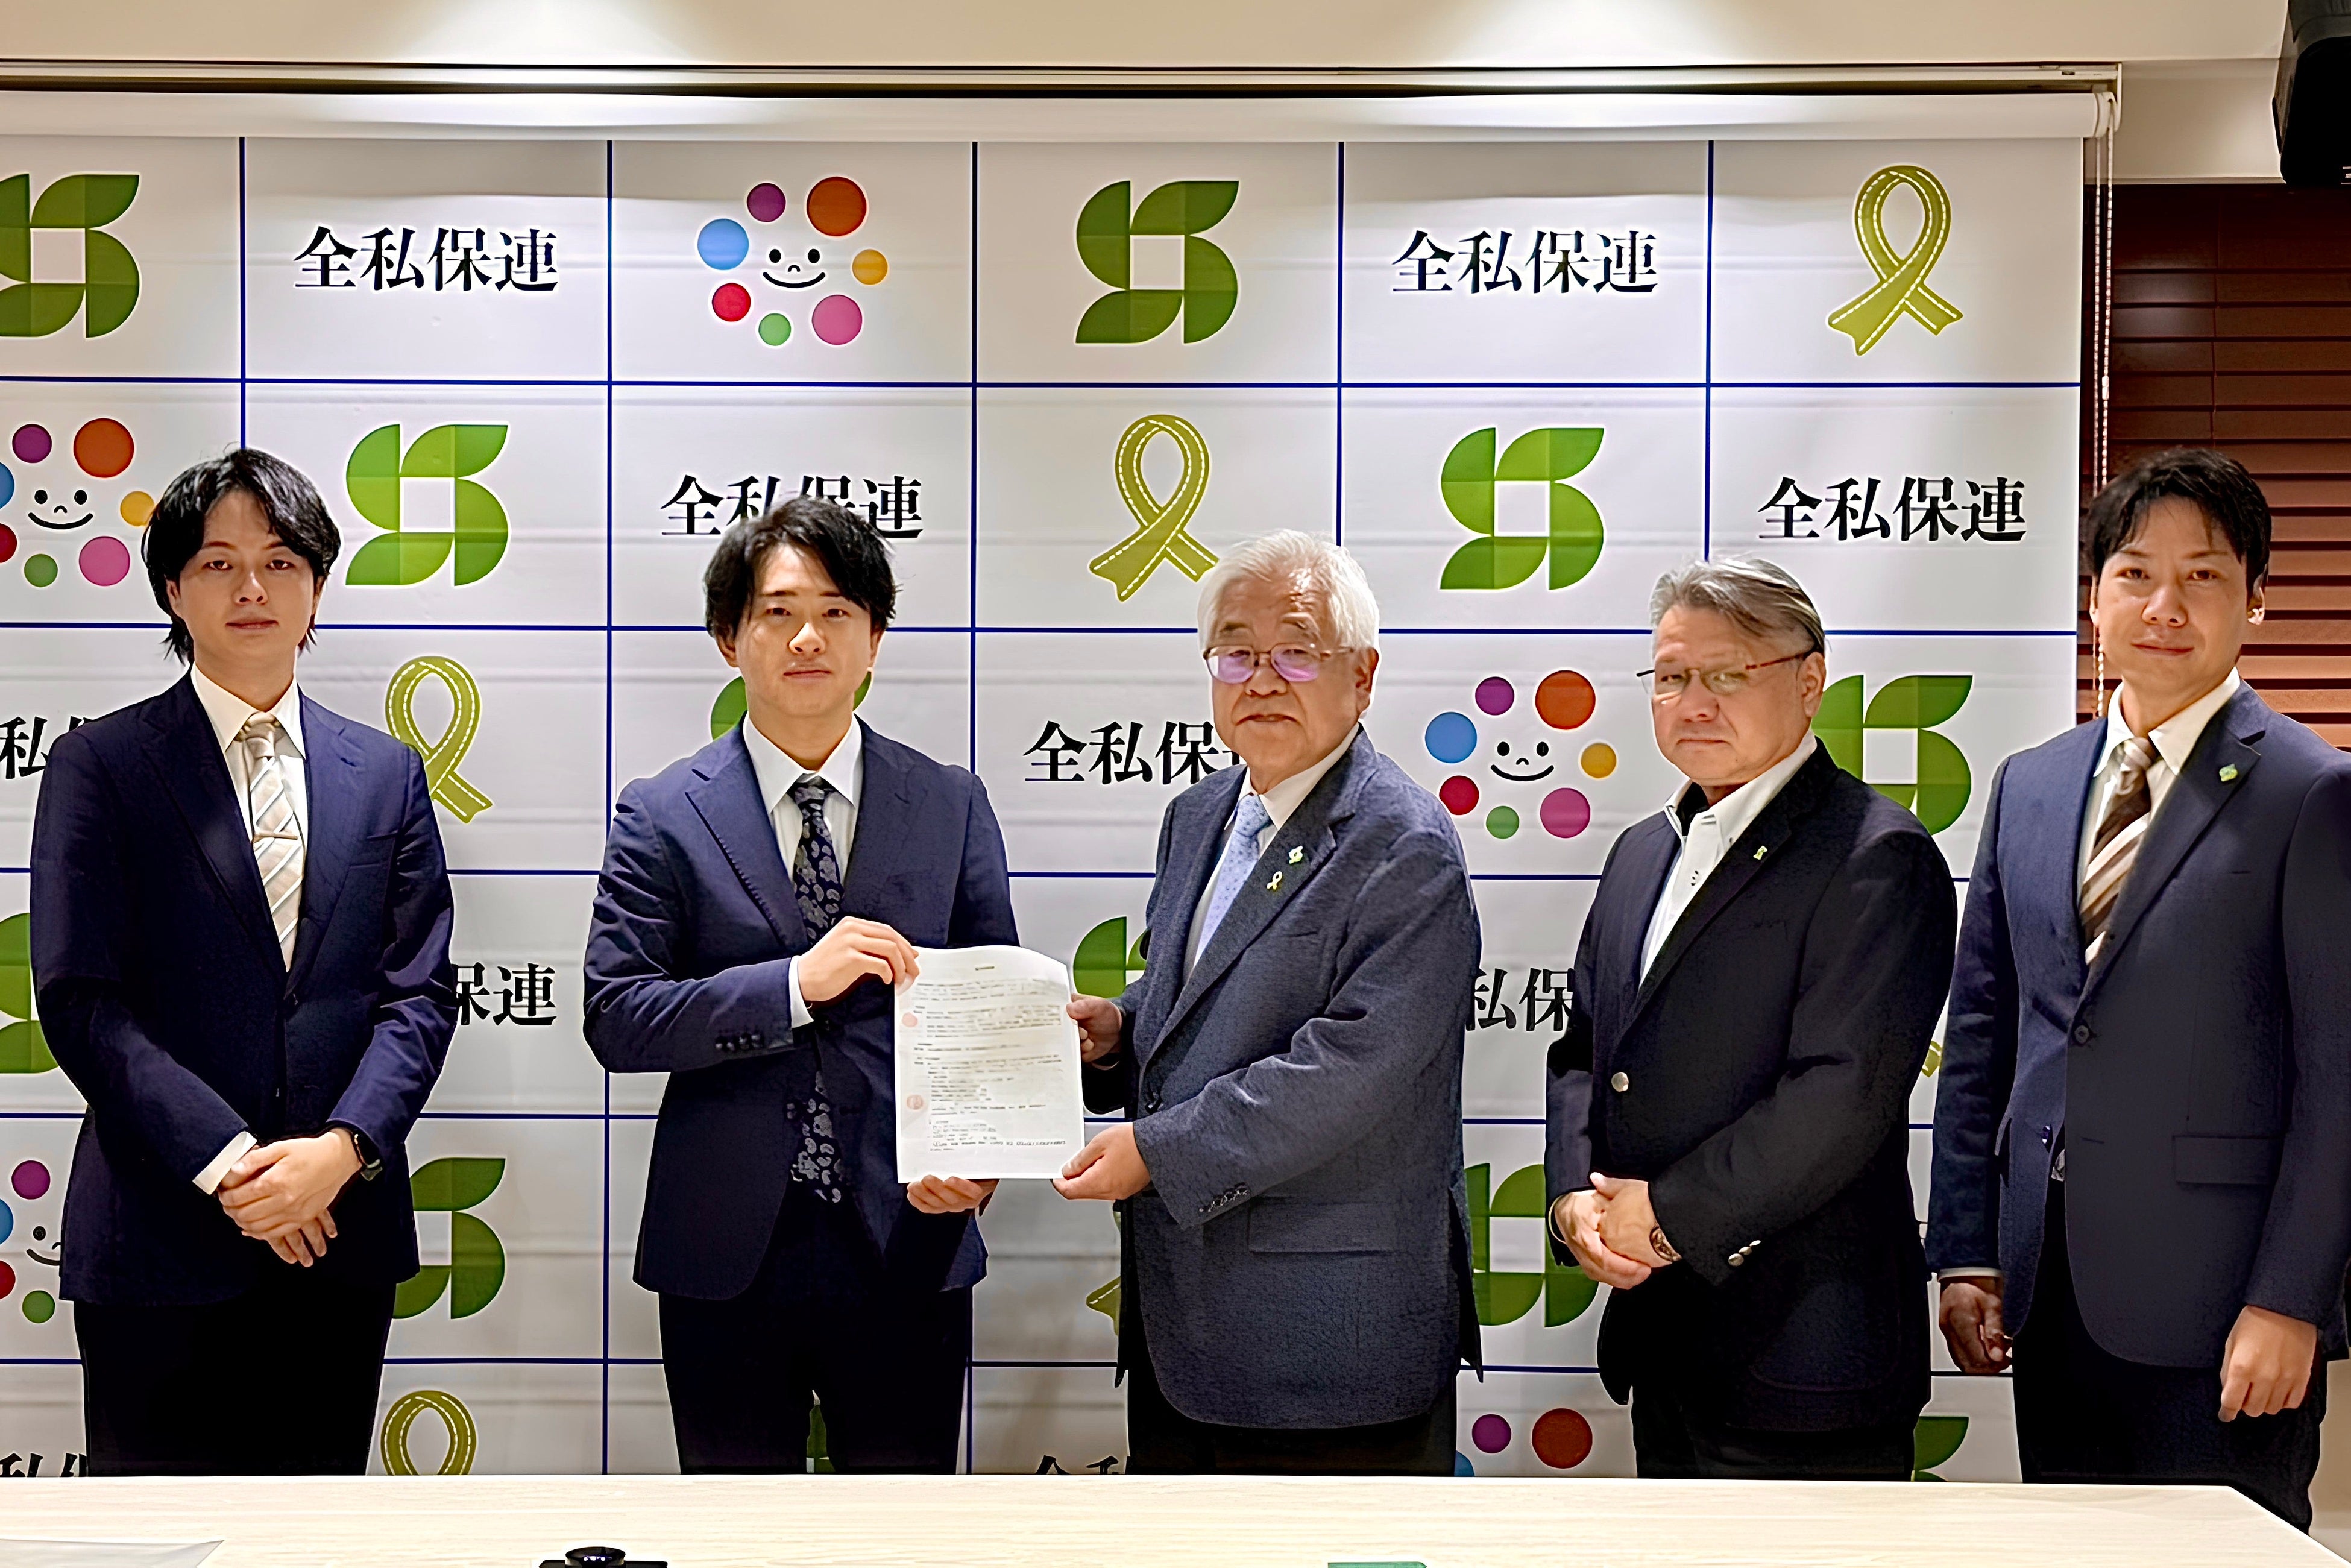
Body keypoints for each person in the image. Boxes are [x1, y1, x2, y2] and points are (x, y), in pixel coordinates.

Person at [1928, 449, 2351, 1529]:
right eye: (2135, 574)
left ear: (2256, 599)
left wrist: (2291, 1299)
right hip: (2050, 1287)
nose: (2165, 606)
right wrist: (1969, 1249)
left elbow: (2339, 1079)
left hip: (2223, 1308)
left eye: (2203, 576)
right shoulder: (2031, 783)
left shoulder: (2312, 790)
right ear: (2095, 597)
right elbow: (1986, 1032)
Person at [28, 449, 458, 1475]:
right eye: (218, 563)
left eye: (280, 561)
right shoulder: (101, 765)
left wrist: (339, 1152)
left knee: (317, 1536)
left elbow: (420, 993)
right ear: (172, 590)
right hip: (158, 1237)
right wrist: (233, 1164)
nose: (252, 587)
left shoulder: (387, 772)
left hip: (337, 1234)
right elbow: (82, 1000)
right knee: (158, 1537)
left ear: (318, 586)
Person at [584, 496, 1016, 1473]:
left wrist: (980, 1159)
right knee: (734, 1534)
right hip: (726, 1245)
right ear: (729, 638)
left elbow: (993, 1015)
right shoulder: (662, 812)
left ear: (875, 639)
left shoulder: (949, 802)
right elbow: (617, 1014)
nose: (808, 637)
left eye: (836, 612)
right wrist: (790, 986)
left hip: (909, 1233)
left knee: (902, 1534)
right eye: (777, 613)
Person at [1054, 529, 1480, 1475]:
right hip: (1184, 1329)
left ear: (1362, 676)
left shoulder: (1404, 844)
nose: (1262, 679)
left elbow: (1351, 1066)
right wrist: (1121, 1032)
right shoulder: (1200, 815)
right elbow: (1208, 993)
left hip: (1330, 1344)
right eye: (1236, 653)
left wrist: (1158, 1152)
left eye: (1296, 651)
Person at [1546, 558, 1954, 1479]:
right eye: (1672, 677)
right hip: (1663, 1341)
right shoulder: (1641, 851)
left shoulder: (1876, 855)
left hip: (1805, 1357)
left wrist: (1666, 1216)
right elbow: (1583, 1051)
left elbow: (1838, 1098)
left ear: (1810, 683)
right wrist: (1575, 1200)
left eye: (1728, 675)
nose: (1693, 703)